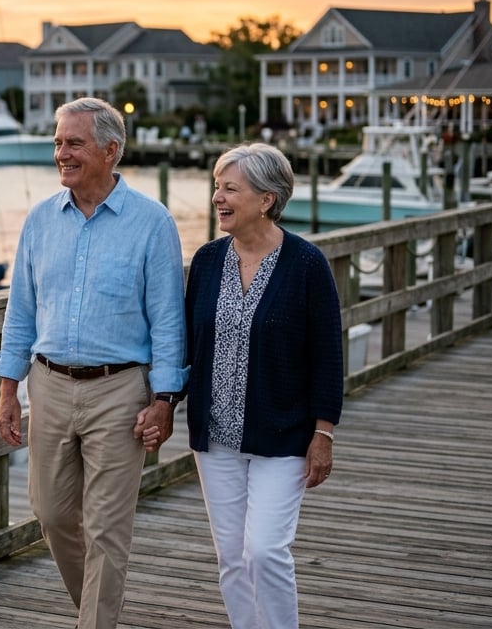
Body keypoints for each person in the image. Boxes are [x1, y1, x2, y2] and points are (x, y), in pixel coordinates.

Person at [0, 96, 187, 629]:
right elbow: (21, 313)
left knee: (106, 527)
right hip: (49, 386)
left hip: (120, 392)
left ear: (111, 150)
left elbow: (169, 321)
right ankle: (96, 611)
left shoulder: (152, 224)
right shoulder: (39, 222)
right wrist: (9, 390)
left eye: (74, 142)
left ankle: (94, 623)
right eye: (57, 142)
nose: (62, 152)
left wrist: (165, 400)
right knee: (52, 515)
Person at [183, 143, 344, 629]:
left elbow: (328, 356)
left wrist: (324, 434)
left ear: (267, 199)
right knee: (232, 558)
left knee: (265, 551)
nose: (218, 197)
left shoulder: (307, 264)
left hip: (285, 436)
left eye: (230, 188)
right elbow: (187, 342)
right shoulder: (208, 260)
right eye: (217, 187)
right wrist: (162, 401)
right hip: (216, 440)